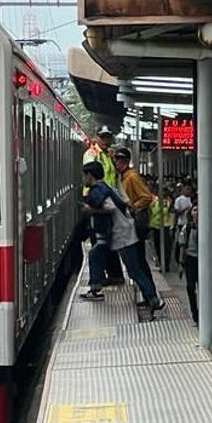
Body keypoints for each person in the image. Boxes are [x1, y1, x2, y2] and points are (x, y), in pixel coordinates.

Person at [79, 162, 164, 313]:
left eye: (84, 175)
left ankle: (154, 300)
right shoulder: (105, 187)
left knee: (134, 270)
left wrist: (90, 209)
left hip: (121, 233)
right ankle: (95, 288)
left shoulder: (97, 190)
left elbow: (110, 208)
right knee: (95, 254)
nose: (83, 178)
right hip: (118, 231)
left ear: (90, 175)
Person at [81, 126, 124, 286]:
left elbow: (115, 179)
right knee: (101, 239)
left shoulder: (108, 155)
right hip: (96, 198)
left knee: (104, 240)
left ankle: (110, 275)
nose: (106, 141)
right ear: (97, 137)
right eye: (103, 137)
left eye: (108, 137)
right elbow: (90, 175)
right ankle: (110, 274)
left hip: (106, 199)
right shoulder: (92, 154)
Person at [112, 147, 156, 284]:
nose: (115, 164)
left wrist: (132, 207)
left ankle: (150, 294)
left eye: (117, 161)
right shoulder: (124, 177)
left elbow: (147, 197)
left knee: (139, 260)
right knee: (137, 260)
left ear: (124, 162)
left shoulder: (132, 177)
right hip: (132, 223)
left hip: (137, 224)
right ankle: (147, 294)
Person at [179, 204, 200, 324]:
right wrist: (181, 264)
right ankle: (194, 313)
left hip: (201, 260)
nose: (197, 213)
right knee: (190, 287)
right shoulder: (186, 228)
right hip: (190, 260)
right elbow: (182, 245)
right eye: (195, 210)